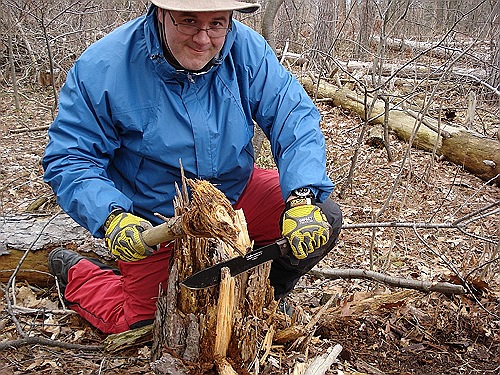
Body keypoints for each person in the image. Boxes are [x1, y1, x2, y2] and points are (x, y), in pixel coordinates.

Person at [42, 0, 342, 334]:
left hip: (233, 195)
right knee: (148, 324)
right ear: (160, 13)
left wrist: (300, 197)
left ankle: (264, 297)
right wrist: (111, 216)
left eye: (217, 23)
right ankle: (81, 273)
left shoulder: (246, 50)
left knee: (323, 216)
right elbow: (70, 157)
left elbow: (294, 118)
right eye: (188, 21)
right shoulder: (105, 66)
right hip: (154, 217)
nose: (203, 39)